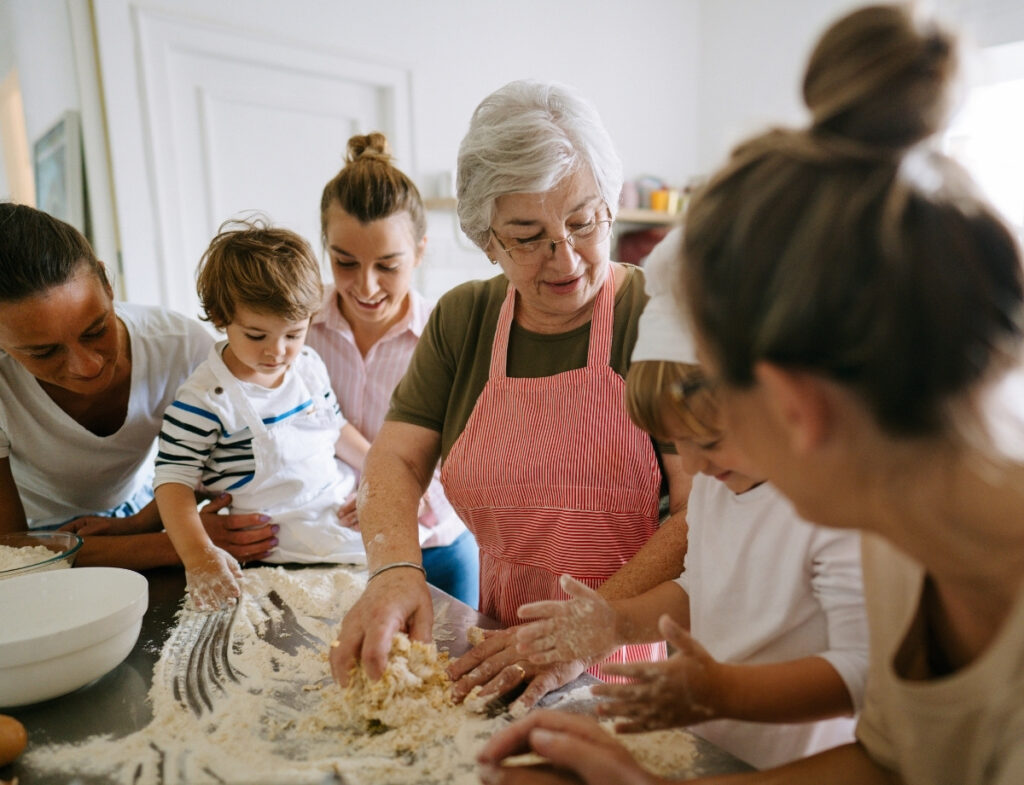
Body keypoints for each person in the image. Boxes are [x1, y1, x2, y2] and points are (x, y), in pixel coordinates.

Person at [478, 4, 1024, 785]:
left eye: (718, 421)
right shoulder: (903, 529)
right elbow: (891, 762)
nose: (699, 465)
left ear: (796, 407)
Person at [329, 80, 691, 711]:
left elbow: (699, 512)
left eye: (583, 223)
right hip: (497, 641)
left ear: (610, 206)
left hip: (626, 656)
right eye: (527, 236)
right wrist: (394, 570)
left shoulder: (653, 316)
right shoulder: (463, 319)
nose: (565, 260)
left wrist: (578, 632)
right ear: (486, 239)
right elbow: (397, 459)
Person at [513, 229, 868, 770]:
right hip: (714, 750)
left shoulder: (834, 511)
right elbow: (700, 590)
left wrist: (722, 691)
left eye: (711, 439)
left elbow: (859, 672)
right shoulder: (717, 484)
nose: (694, 466)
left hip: (793, 765)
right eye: (677, 442)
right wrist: (614, 623)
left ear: (782, 403)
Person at [0, 202, 276, 568]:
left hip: (145, 511)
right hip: (37, 537)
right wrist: (182, 546)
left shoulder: (179, 346)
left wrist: (142, 526)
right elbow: (12, 551)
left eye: (96, 330)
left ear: (106, 282)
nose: (88, 366)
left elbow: (212, 460)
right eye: (44, 352)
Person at [154, 219, 365, 609]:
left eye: (293, 334)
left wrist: (380, 475)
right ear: (220, 316)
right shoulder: (204, 400)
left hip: (336, 523)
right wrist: (198, 555)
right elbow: (172, 481)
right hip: (271, 554)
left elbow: (336, 429)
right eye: (256, 335)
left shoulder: (308, 366)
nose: (278, 352)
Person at [306, 132, 479, 608]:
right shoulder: (296, 329)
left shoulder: (449, 337)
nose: (365, 286)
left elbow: (472, 456)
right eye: (345, 262)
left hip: (436, 550)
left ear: (420, 251)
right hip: (326, 550)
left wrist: (396, 496)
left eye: (387, 265)